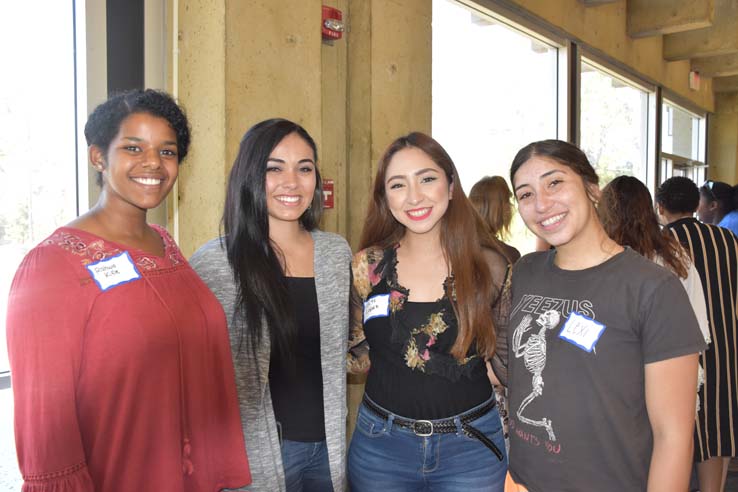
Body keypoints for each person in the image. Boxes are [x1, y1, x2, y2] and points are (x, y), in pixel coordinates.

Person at [6, 89, 251, 491]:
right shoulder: (51, 268)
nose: (153, 162)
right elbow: (46, 431)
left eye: (167, 151)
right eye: (133, 147)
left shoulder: (164, 244)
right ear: (99, 157)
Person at [506, 140, 705, 492]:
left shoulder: (652, 289)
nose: (541, 203)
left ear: (592, 189)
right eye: (525, 194)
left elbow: (673, 436)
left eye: (555, 183)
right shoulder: (525, 272)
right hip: (525, 482)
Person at [190, 118, 351, 492]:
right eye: (273, 168)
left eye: (304, 168)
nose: (291, 182)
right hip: (256, 456)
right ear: (248, 176)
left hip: (329, 451)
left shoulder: (335, 252)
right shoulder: (217, 262)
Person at [347, 132, 510, 491]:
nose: (415, 196)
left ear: (451, 186)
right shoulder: (367, 266)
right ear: (385, 198)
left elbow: (507, 363)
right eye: (398, 185)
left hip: (470, 448)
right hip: (381, 447)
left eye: (427, 178)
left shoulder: (491, 267)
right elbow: (356, 355)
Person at [656, 176, 738, 492]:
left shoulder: (661, 243)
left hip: (683, 351)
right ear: (695, 205)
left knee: (680, 429)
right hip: (727, 346)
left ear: (660, 207)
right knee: (718, 428)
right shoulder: (728, 240)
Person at [470, 176, 522, 263]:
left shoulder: (453, 245)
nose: (511, 207)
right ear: (502, 209)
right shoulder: (509, 254)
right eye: (508, 202)